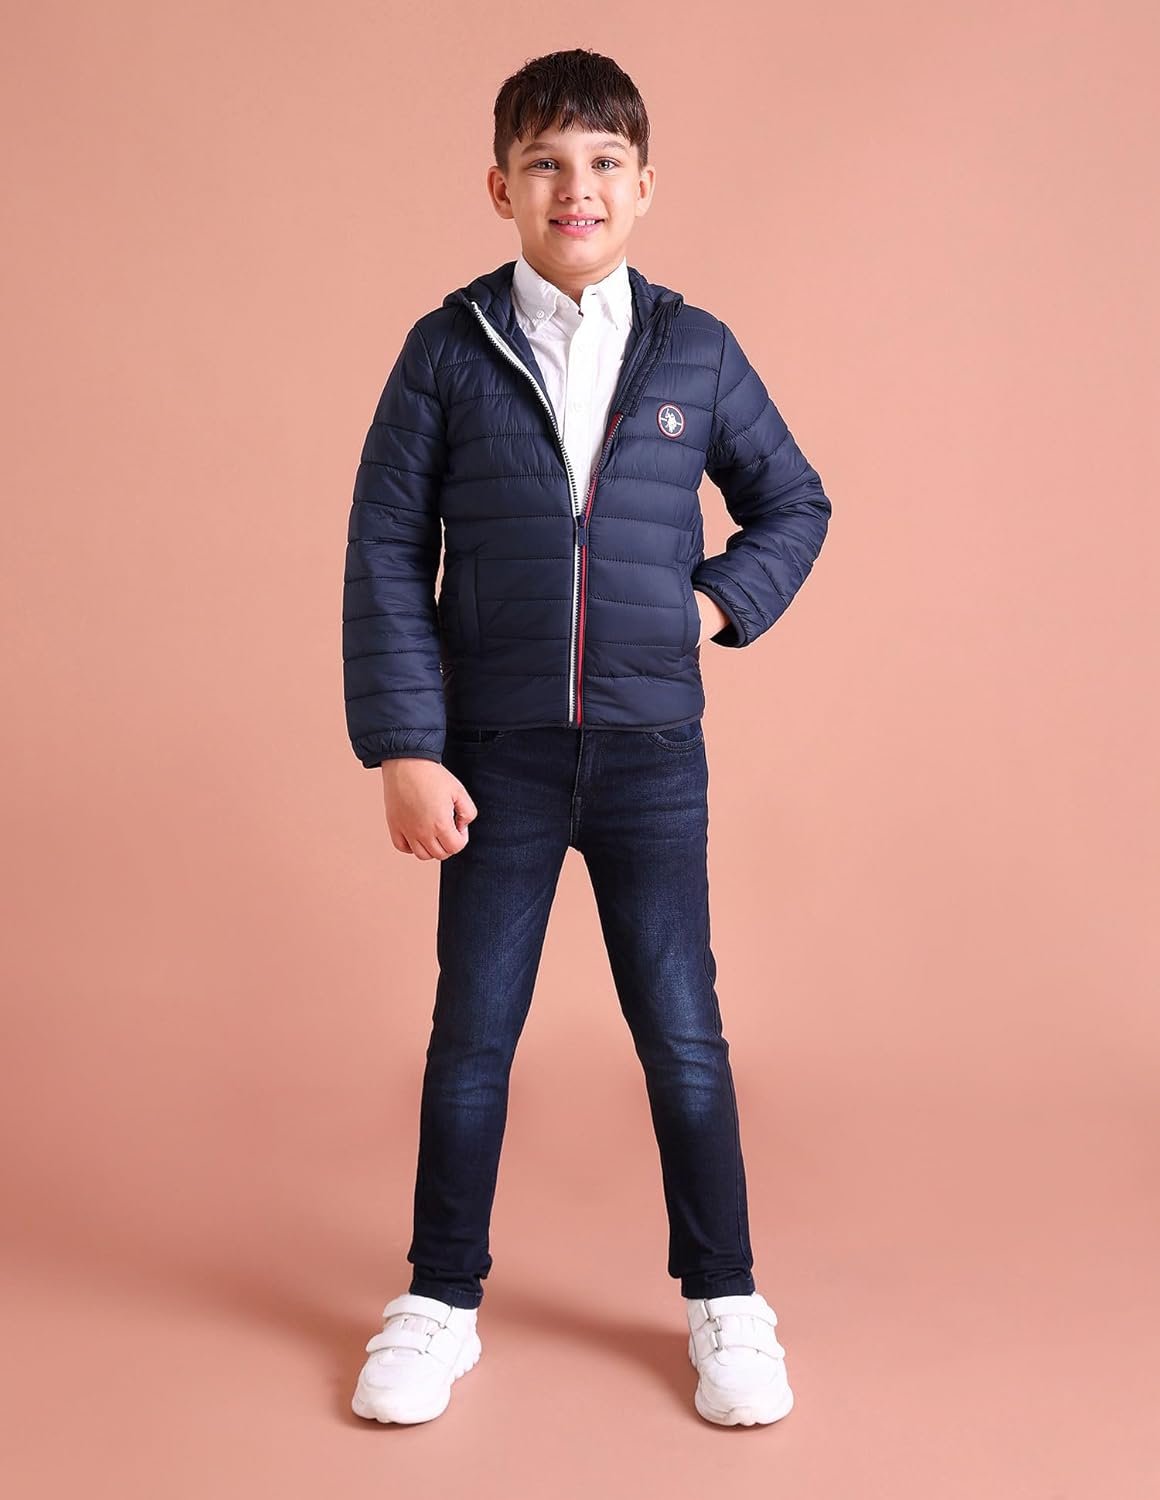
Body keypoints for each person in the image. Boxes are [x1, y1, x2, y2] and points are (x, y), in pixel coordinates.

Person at [344, 48, 831, 1428]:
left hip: (651, 757)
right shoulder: (447, 349)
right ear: (500, 185)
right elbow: (386, 549)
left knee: (685, 1038)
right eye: (547, 162)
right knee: (472, 1040)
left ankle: (727, 1300)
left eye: (605, 163)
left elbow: (794, 502)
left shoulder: (695, 347)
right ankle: (438, 1303)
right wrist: (405, 745)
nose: (578, 187)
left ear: (644, 186)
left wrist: (713, 602)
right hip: (493, 757)